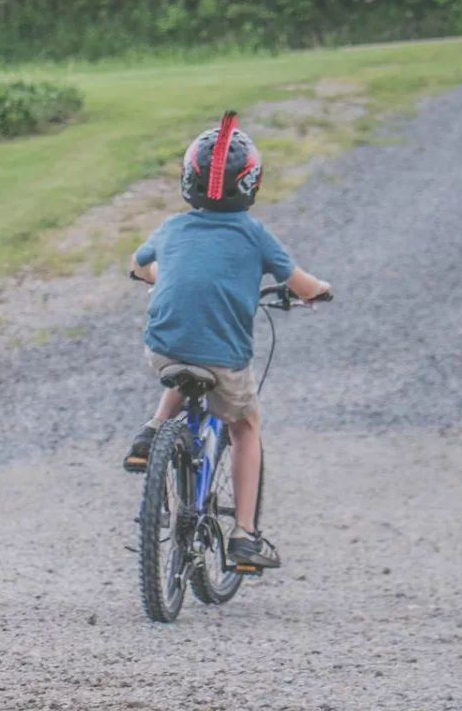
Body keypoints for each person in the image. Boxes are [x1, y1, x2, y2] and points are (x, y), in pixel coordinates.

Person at [122, 111, 331, 571]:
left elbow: (139, 266)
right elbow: (301, 284)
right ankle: (245, 536)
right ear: (251, 182)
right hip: (224, 361)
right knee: (245, 425)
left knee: (184, 353)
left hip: (161, 349)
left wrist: (162, 278)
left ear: (188, 178)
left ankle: (153, 431)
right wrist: (319, 291)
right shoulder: (254, 235)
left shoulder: (173, 227)